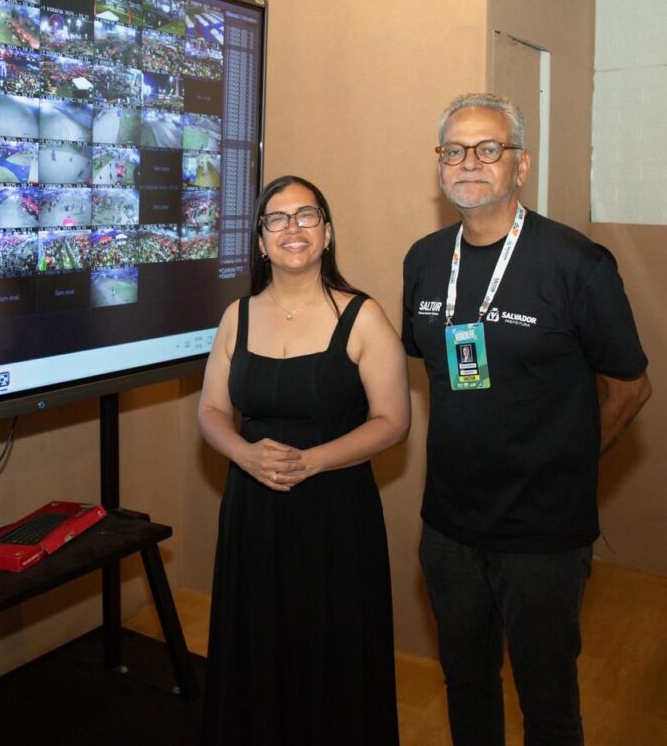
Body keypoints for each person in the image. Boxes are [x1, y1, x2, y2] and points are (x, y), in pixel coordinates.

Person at [402, 93, 652, 746]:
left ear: (520, 164)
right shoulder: (423, 260)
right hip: (449, 528)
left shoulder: (577, 264)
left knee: (548, 704)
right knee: (467, 685)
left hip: (543, 536)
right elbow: (434, 369)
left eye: (489, 149)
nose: (469, 163)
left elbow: (631, 388)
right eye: (454, 150)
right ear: (439, 164)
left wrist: (570, 462)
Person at [199, 175, 410, 745]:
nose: (292, 228)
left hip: (336, 517)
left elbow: (394, 421)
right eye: (277, 218)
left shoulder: (363, 316)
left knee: (334, 659)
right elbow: (211, 410)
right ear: (261, 241)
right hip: (252, 515)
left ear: (327, 232)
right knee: (255, 653)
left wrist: (313, 461)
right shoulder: (236, 316)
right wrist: (243, 454)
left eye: (306, 215)